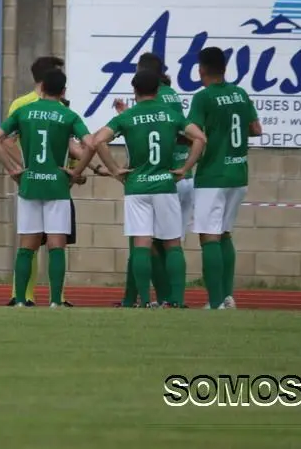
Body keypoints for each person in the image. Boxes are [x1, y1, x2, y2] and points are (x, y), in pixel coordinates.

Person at [74, 70, 206, 308]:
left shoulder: (128, 116)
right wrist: (186, 168)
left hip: (137, 186)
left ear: (134, 91)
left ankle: (144, 301)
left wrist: (115, 169)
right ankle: (176, 301)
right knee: (172, 244)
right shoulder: (170, 114)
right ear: (157, 90)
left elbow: (97, 140)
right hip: (164, 184)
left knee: (141, 244)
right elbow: (200, 138)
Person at [0, 69, 91, 307]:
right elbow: (91, 144)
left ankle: (20, 300)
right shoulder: (69, 115)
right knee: (56, 246)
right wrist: (76, 172)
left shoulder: (23, 112)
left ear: (42, 88)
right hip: (57, 186)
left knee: (27, 247)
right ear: (63, 91)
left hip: (30, 184)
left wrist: (13, 169)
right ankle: (55, 302)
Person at [112, 52, 192, 307]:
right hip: (174, 175)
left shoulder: (151, 102)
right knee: (168, 241)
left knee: (144, 242)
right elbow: (187, 134)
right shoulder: (172, 96)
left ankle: (151, 298)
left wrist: (114, 168)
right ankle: (169, 299)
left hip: (154, 176)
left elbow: (148, 129)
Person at [187, 47, 262, 310]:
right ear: (225, 68)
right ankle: (228, 297)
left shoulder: (203, 97)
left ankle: (215, 300)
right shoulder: (240, 93)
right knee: (225, 233)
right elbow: (256, 129)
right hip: (238, 174)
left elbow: (193, 133)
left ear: (201, 69)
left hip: (213, 174)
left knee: (209, 237)